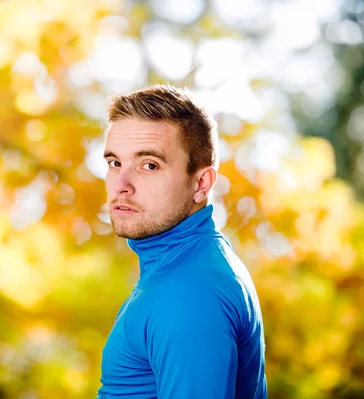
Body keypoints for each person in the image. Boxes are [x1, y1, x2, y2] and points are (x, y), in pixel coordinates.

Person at [97, 84, 267, 399]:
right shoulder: (190, 265)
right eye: (114, 163)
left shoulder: (187, 292)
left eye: (149, 165)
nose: (121, 185)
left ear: (201, 183)